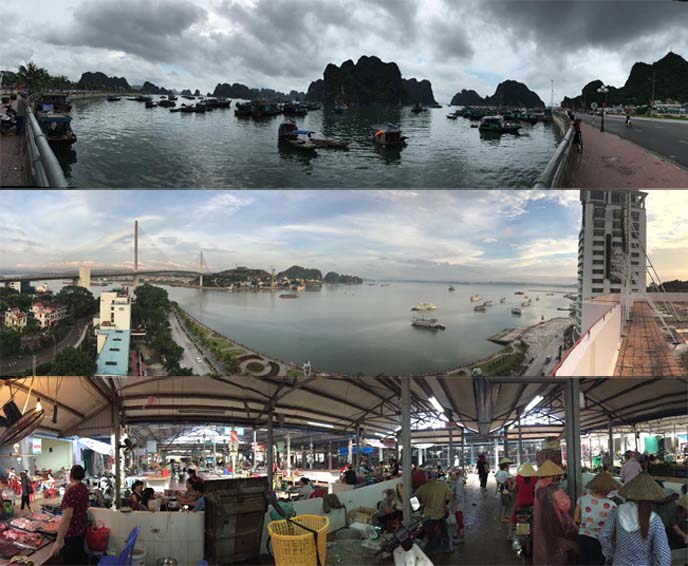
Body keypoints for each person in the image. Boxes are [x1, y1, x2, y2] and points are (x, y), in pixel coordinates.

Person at [599, 471, 671, 565]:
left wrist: (611, 554)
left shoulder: (617, 511)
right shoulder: (655, 520)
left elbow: (604, 536)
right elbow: (663, 554)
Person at [532, 460, 577, 565]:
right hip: (554, 519)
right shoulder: (552, 488)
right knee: (556, 544)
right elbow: (565, 505)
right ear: (553, 474)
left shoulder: (539, 484)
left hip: (541, 518)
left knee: (544, 542)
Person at [574, 471, 621, 565]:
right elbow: (613, 527)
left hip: (583, 537)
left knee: (583, 562)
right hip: (599, 540)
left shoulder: (583, 498)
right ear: (608, 489)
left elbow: (576, 520)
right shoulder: (612, 505)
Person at [52, 465, 89, 565]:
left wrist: (58, 541)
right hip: (81, 531)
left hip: (72, 535)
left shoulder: (71, 491)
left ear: (71, 475)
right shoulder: (84, 488)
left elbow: (67, 517)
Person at [415, 471, 452, 554]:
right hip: (440, 514)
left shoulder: (423, 488)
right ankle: (446, 547)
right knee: (444, 531)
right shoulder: (442, 485)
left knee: (431, 534)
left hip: (428, 516)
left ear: (427, 477)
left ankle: (432, 550)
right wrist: (443, 503)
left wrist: (418, 507)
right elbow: (450, 495)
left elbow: (414, 499)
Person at [509, 463, 537, 541]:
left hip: (520, 502)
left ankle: (509, 535)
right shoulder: (534, 478)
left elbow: (513, 488)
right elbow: (535, 490)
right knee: (535, 517)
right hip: (532, 502)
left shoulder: (518, 477)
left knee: (513, 518)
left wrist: (514, 489)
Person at [495, 458, 515, 523]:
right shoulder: (505, 473)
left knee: (505, 502)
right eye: (508, 465)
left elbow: (497, 481)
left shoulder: (499, 472)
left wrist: (496, 489)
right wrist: (511, 488)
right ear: (506, 466)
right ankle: (502, 517)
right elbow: (508, 481)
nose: (509, 466)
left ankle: (505, 515)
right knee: (505, 503)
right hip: (505, 488)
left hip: (502, 488)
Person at [450, 469, 465, 544]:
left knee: (459, 519)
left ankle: (461, 536)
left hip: (458, 504)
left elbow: (458, 496)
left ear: (456, 474)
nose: (450, 477)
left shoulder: (458, 482)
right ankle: (459, 533)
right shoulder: (458, 481)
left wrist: (455, 506)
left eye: (451, 475)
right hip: (458, 503)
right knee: (458, 518)